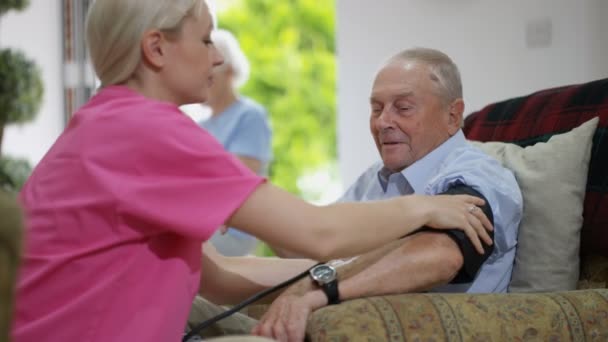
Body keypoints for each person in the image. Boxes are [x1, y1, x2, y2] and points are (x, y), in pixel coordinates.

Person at [12, 1, 494, 341]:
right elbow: (317, 231)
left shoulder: (105, 122)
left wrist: (331, 278)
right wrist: (426, 205)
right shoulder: (146, 130)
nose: (218, 56)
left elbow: (219, 274)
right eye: (204, 39)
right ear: (156, 49)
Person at [250, 48, 523, 341]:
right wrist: (250, 209)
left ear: (453, 116)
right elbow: (315, 244)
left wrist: (321, 292)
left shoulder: (478, 176)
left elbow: (440, 255)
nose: (382, 122)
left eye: (403, 108)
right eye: (376, 109)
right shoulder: (374, 179)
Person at [201, 29, 272, 256]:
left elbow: (240, 178)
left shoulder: (249, 116)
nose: (207, 82)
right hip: (206, 220)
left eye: (214, 75)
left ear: (230, 72)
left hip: (235, 229)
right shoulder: (200, 125)